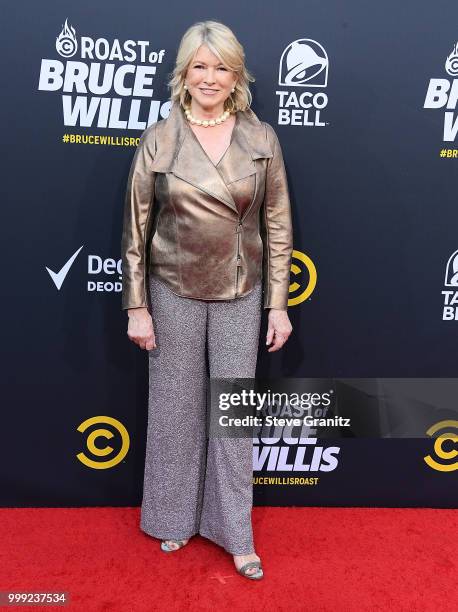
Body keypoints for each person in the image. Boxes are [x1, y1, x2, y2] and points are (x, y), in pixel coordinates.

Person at [121, 20, 293, 580]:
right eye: (200, 65)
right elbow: (136, 229)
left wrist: (278, 304)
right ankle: (173, 518)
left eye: (221, 67)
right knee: (174, 413)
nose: (210, 77)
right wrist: (137, 305)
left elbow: (278, 225)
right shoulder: (160, 139)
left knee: (233, 415)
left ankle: (235, 534)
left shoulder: (261, 138)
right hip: (172, 289)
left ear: (237, 74)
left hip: (241, 292)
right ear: (184, 73)